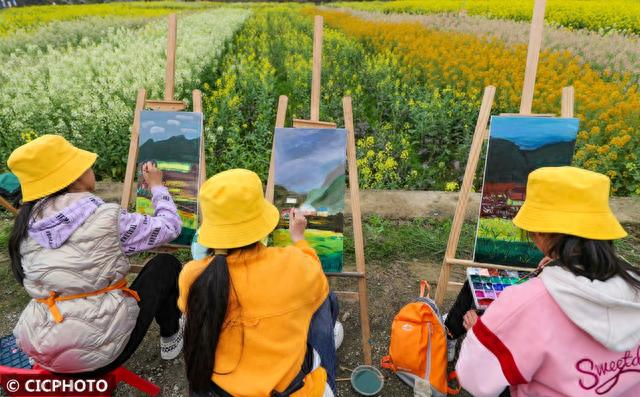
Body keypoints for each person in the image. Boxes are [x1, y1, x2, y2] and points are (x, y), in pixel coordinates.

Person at [455, 166, 640, 396]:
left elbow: (475, 377)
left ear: (540, 232)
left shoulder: (526, 303)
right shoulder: (634, 283)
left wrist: (478, 335)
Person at [7, 134, 184, 374]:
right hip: (98, 355)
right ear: (74, 178)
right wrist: (156, 187)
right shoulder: (105, 218)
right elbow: (170, 226)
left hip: (41, 347)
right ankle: (171, 336)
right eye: (86, 165)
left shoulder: (25, 224)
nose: (92, 169)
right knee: (165, 265)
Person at [178, 169, 335, 396]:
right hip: (296, 390)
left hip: (220, 391)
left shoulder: (191, 276)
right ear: (261, 219)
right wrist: (299, 240)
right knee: (326, 300)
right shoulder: (293, 266)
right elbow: (316, 275)